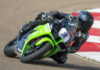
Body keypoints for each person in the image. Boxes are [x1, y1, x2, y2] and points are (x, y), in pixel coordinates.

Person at [19, 11, 94, 63]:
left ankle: (41, 53)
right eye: (86, 24)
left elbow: (77, 46)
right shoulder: (72, 18)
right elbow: (57, 13)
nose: (87, 27)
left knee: (62, 59)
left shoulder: (84, 35)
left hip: (63, 43)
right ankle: (29, 26)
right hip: (56, 29)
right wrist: (51, 16)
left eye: (88, 25)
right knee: (43, 16)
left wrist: (69, 49)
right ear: (80, 20)